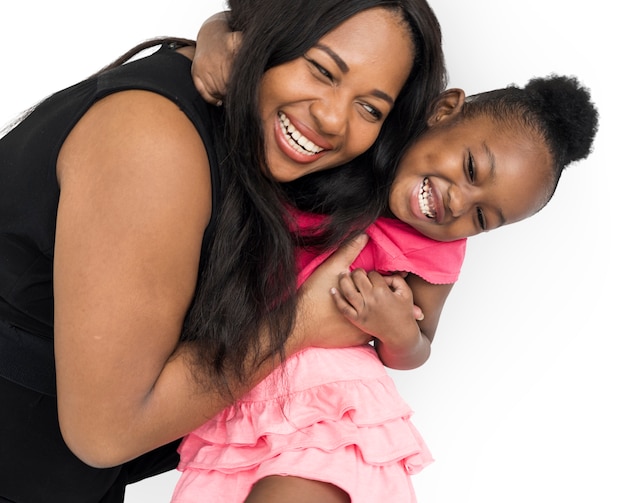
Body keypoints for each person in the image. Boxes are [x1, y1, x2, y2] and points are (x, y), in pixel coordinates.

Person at [0, 1, 446, 501]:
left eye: (370, 108)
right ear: (265, 36)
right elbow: (105, 434)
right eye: (321, 69)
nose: (331, 118)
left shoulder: (262, 149)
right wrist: (298, 325)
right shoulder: (153, 143)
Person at [170, 75, 599, 502]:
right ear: (444, 109)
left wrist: (397, 330)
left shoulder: (436, 252)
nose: (459, 204)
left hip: (331, 402)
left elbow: (420, 345)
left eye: (483, 218)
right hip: (232, 395)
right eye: (471, 169)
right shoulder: (349, 141)